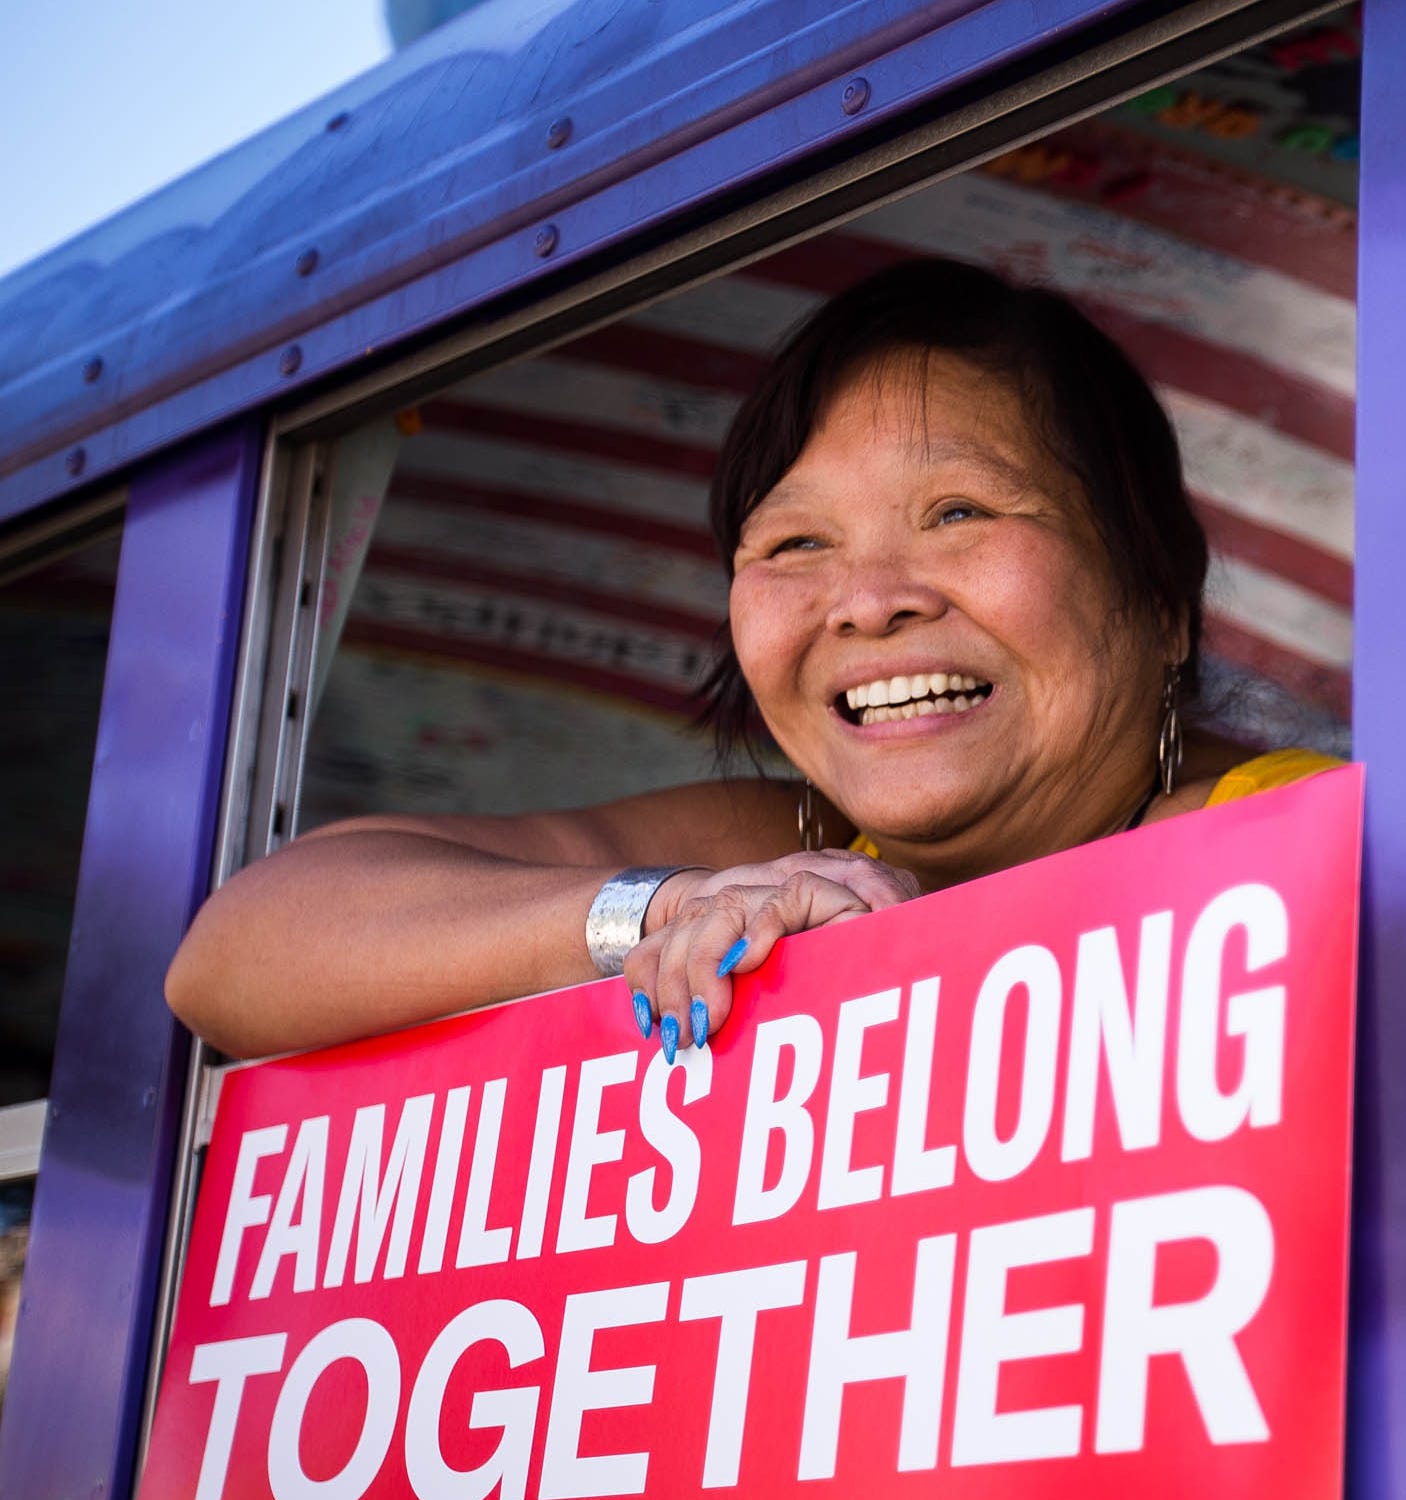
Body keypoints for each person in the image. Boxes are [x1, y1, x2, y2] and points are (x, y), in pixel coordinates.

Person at [166, 260, 1338, 1061]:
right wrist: (661, 912)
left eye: (959, 513)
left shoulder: (1300, 843)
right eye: (795, 543)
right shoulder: (789, 846)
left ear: (1156, 596)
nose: (868, 603)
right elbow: (231, 956)